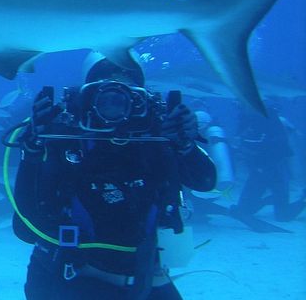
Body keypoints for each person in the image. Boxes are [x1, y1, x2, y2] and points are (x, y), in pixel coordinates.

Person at [11, 51, 216, 300]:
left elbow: (205, 182)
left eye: (126, 93)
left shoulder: (157, 136)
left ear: (140, 97)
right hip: (71, 276)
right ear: (87, 95)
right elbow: (25, 229)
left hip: (144, 277)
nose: (115, 105)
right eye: (105, 94)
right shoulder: (67, 136)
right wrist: (32, 152)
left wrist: (186, 146)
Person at [230, 103, 306, 224]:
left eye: (242, 106)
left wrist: (246, 145)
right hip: (260, 166)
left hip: (271, 165)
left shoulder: (267, 116)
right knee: (245, 210)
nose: (241, 109)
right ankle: (268, 200)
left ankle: (301, 200)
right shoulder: (245, 118)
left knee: (282, 215)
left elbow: (276, 143)